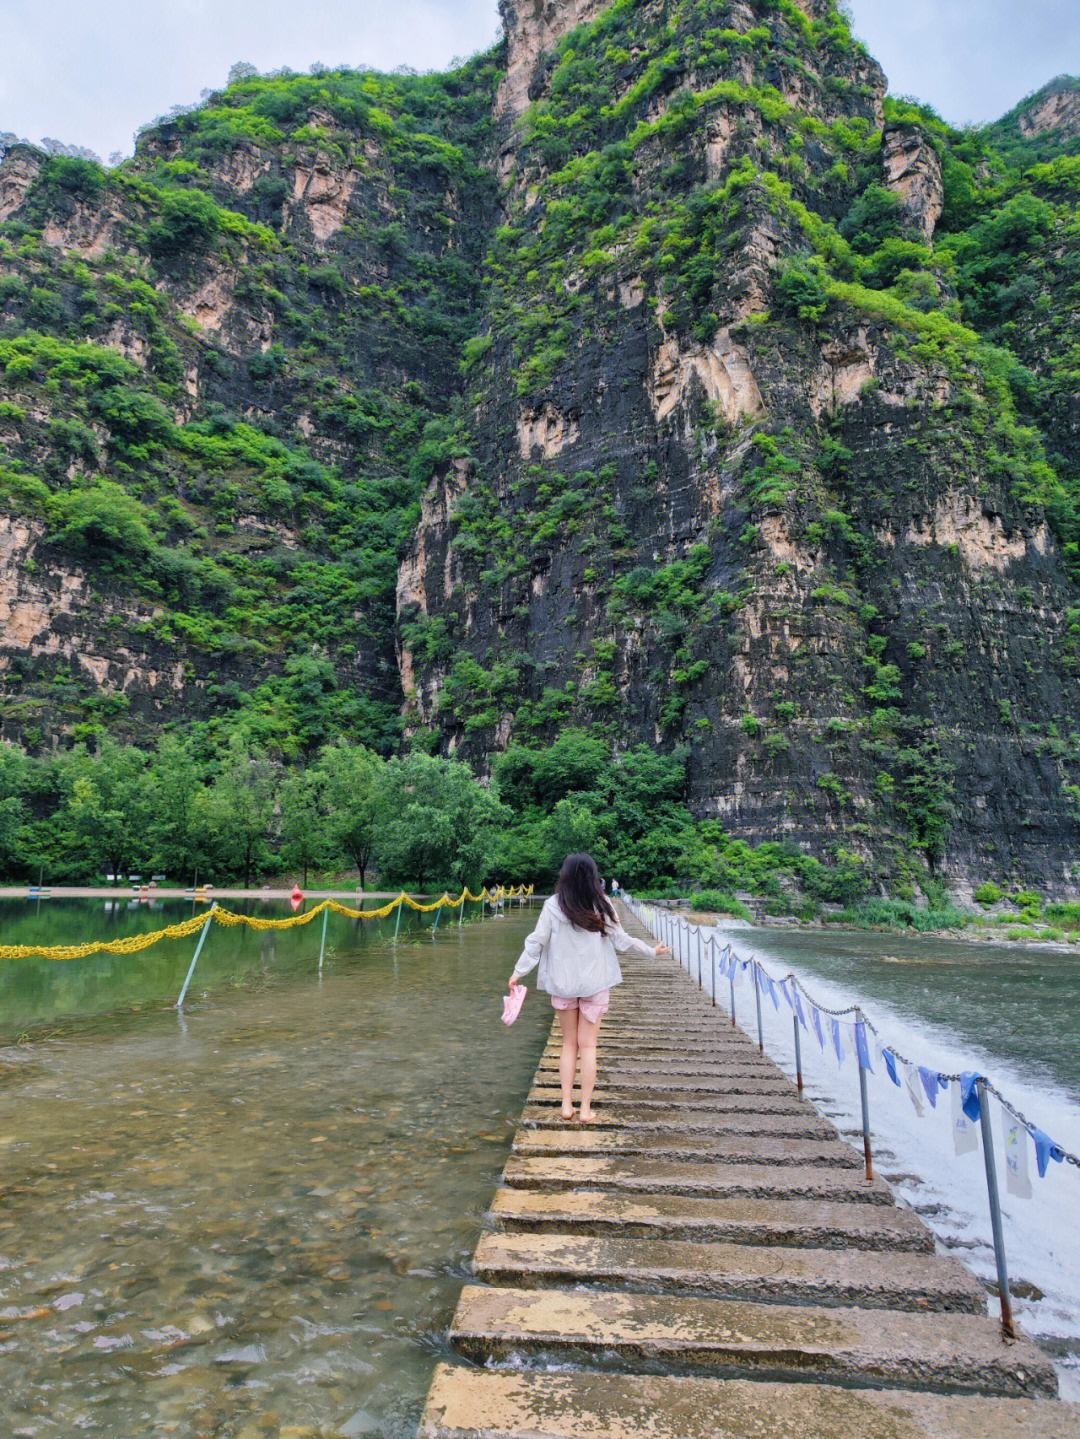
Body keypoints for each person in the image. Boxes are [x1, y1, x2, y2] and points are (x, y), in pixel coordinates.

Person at [508, 853, 670, 1123]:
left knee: (569, 1044)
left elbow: (536, 942)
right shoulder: (602, 903)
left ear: (565, 876)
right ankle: (585, 1110)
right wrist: (652, 952)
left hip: (564, 985)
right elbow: (622, 940)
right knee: (589, 1046)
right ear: (594, 877)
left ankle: (566, 1106)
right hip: (595, 983)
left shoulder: (552, 905)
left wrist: (518, 972)